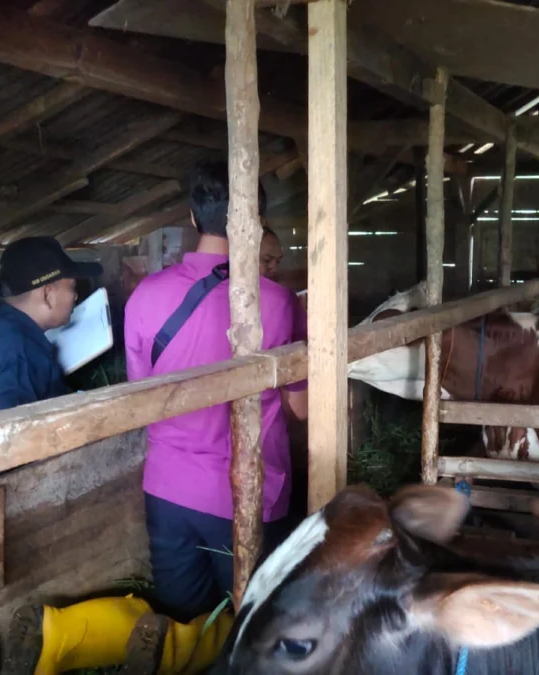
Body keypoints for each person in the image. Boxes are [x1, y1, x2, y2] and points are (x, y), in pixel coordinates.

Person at [124, 160, 307, 623]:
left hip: (167, 490)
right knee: (255, 624)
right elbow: (303, 408)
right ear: (257, 222)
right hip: (247, 493)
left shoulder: (144, 296)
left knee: (185, 625)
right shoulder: (279, 303)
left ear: (192, 217)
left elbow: (138, 397)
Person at [0, 236, 100, 420]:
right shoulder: (20, 356)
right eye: (71, 287)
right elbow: (12, 436)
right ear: (47, 294)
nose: (75, 296)